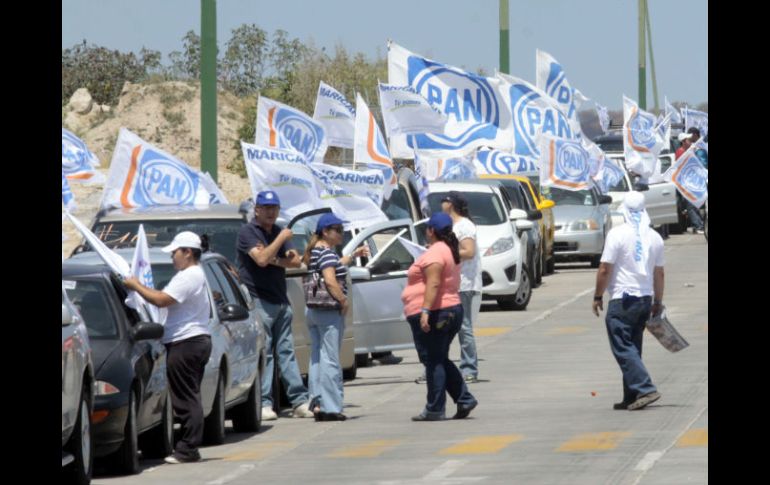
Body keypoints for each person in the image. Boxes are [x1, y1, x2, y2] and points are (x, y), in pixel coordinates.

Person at [122, 231, 212, 464]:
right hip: (189, 341)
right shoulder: (189, 274)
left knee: (186, 398)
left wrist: (136, 285)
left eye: (175, 253)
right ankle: (188, 446)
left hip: (187, 342)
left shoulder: (190, 275)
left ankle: (188, 449)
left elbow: (162, 299)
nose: (173, 258)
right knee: (187, 395)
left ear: (188, 253)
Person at [236, 190, 314, 420]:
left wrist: (275, 258)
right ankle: (265, 402)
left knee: (287, 352)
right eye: (266, 208)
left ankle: (298, 401)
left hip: (281, 300)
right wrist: (278, 243)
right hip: (259, 300)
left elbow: (295, 260)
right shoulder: (248, 232)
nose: (270, 212)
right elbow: (260, 260)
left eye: (274, 208)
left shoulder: (280, 231)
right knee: (266, 353)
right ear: (257, 210)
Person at [592, 192, 664, 411]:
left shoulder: (617, 234)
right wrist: (657, 301)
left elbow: (605, 269)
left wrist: (597, 295)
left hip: (623, 300)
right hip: (644, 299)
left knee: (622, 347)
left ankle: (645, 388)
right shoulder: (655, 237)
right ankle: (632, 396)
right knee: (633, 347)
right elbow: (659, 274)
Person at [402, 212, 478, 421]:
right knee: (438, 358)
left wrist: (425, 311)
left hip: (437, 311)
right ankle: (463, 398)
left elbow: (434, 283)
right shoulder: (445, 250)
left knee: (433, 360)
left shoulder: (436, 253)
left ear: (431, 231)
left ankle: (435, 407)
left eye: (427, 229)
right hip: (449, 309)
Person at [302, 213, 368, 422]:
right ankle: (331, 406)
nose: (341, 234)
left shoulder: (315, 253)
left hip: (313, 311)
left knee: (316, 359)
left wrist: (352, 255)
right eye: (337, 230)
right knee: (330, 359)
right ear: (325, 232)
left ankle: (318, 403)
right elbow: (330, 280)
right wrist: (343, 301)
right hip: (329, 312)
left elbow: (333, 266)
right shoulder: (327, 254)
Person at [441, 191, 482, 383]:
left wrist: (446, 252)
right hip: (451, 282)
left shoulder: (464, 225)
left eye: (445, 200)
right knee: (445, 328)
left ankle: (469, 369)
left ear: (452, 205)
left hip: (464, 282)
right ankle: (439, 366)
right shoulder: (451, 225)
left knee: (464, 327)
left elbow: (469, 251)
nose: (442, 203)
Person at [674, 132, 705, 234]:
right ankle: (699, 226)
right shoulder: (680, 152)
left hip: (692, 182)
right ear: (683, 142)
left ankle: (699, 224)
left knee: (694, 204)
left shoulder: (688, 150)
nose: (690, 141)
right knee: (690, 206)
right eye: (688, 140)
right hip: (685, 184)